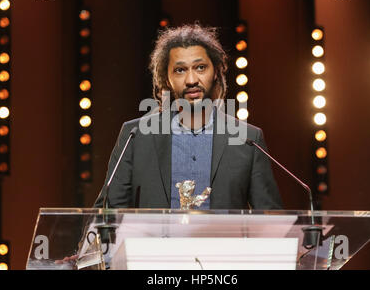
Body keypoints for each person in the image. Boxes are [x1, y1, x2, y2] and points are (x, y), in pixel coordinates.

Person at [94, 24, 282, 210]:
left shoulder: (247, 139)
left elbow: (270, 217)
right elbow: (107, 211)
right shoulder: (136, 136)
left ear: (216, 71)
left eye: (200, 67)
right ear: (166, 78)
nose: (191, 80)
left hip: (222, 241)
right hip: (155, 241)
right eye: (180, 70)